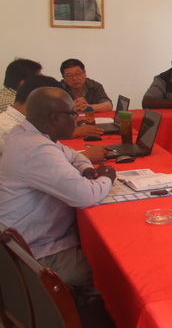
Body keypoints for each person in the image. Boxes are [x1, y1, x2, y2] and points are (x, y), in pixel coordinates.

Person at [0, 87, 115, 296]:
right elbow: (85, 195)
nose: (77, 120)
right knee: (112, 271)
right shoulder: (36, 149)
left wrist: (86, 169)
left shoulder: (26, 133)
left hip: (31, 241)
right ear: (55, 118)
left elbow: (74, 155)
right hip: (36, 254)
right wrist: (107, 178)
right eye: (73, 114)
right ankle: (96, 311)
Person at [0, 76, 107, 162]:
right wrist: (86, 155)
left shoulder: (21, 122)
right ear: (36, 99)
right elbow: (42, 164)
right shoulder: (10, 129)